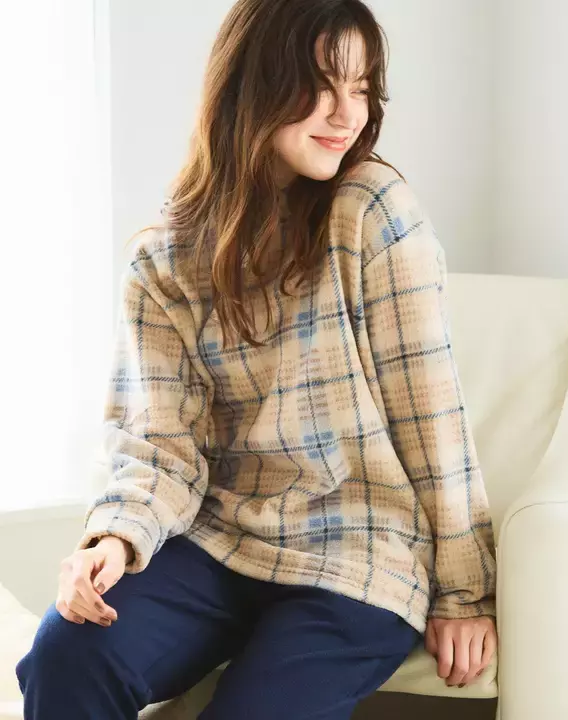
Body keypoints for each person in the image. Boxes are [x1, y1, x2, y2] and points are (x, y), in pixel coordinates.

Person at [16, 0, 497, 718]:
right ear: (253, 82)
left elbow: (433, 419)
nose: (347, 114)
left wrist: (465, 593)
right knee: (68, 652)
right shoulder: (164, 261)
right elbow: (159, 447)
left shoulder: (373, 211)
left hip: (359, 553)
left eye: (361, 88)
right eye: (321, 85)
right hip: (217, 540)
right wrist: (114, 539)